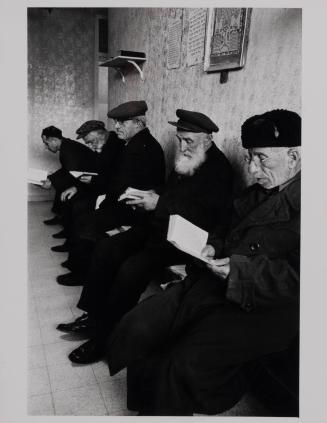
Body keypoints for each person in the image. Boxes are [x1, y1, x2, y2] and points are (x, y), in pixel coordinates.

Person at [105, 109, 301, 416]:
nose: (251, 168)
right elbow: (227, 229)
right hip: (217, 283)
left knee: (180, 363)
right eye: (250, 156)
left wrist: (239, 271)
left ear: (294, 155)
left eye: (261, 158)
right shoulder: (256, 193)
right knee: (139, 325)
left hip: (266, 307)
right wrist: (213, 246)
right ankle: (147, 407)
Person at [57, 109, 234, 365]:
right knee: (107, 248)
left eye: (189, 141)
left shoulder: (219, 170)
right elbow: (173, 192)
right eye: (180, 139)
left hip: (186, 241)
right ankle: (94, 316)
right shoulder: (191, 156)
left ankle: (106, 338)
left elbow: (204, 215)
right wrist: (148, 195)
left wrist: (159, 202)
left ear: (207, 139)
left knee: (132, 269)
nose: (182, 146)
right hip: (162, 228)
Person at [56, 100, 166, 284]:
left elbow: (122, 185)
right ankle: (83, 266)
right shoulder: (135, 143)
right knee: (86, 216)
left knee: (87, 220)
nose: (116, 127)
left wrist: (104, 202)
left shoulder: (140, 148)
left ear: (138, 123)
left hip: (137, 210)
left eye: (122, 122)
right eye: (116, 122)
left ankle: (82, 273)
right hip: (128, 202)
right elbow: (117, 179)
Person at [51, 120, 125, 249]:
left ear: (100, 134)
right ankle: (71, 242)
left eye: (91, 142)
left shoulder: (118, 146)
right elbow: (95, 171)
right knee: (71, 198)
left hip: (111, 193)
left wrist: (92, 181)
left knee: (79, 206)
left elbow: (116, 179)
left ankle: (75, 246)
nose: (91, 146)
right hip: (99, 187)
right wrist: (76, 187)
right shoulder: (102, 145)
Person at [40, 125, 98, 226]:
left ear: (54, 140)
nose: (46, 147)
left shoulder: (68, 149)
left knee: (64, 186)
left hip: (94, 179)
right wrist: (51, 178)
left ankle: (66, 223)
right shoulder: (66, 145)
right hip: (82, 174)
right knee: (59, 183)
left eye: (46, 143)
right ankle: (60, 216)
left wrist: (51, 182)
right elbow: (66, 169)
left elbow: (70, 174)